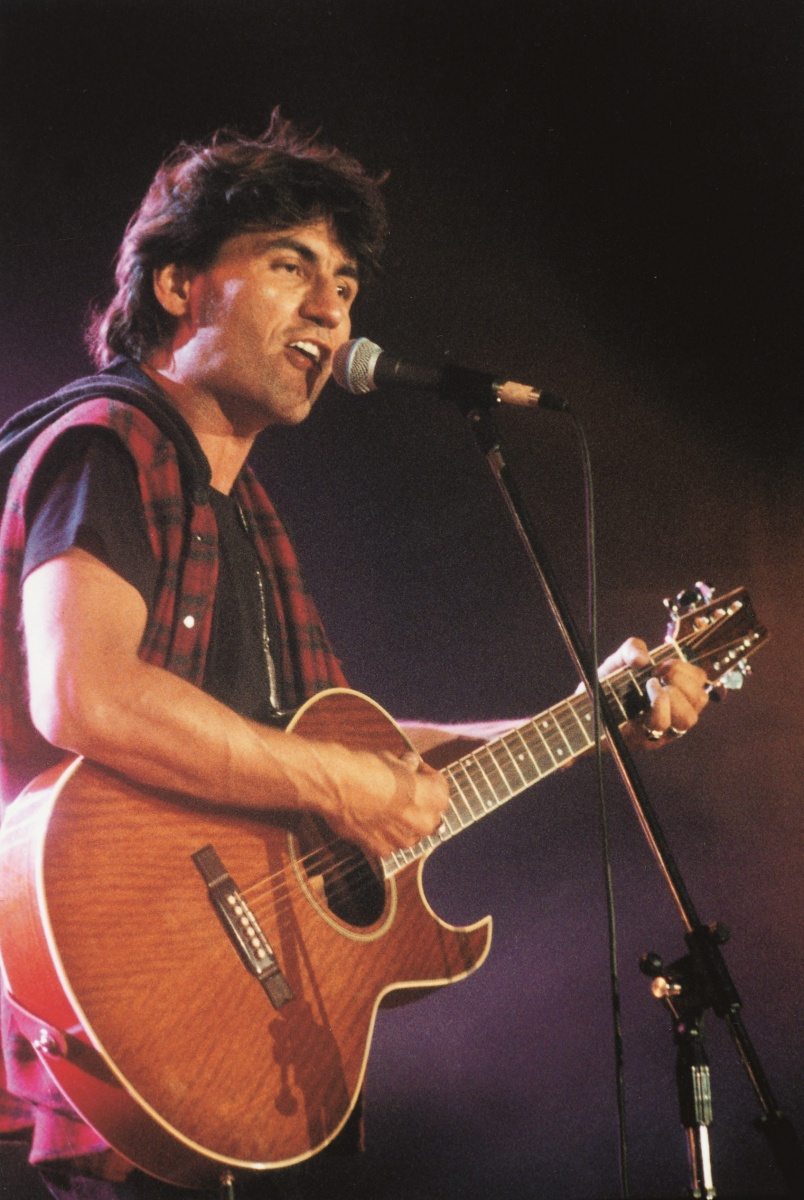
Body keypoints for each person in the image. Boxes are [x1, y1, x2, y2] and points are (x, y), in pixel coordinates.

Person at [0, 114, 709, 1199]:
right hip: (100, 1014)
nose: (333, 310)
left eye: (345, 284)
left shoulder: (244, 514)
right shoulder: (114, 442)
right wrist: (338, 782)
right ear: (181, 284)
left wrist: (591, 711)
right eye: (292, 267)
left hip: (227, 1047)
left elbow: (353, 757)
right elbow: (82, 694)